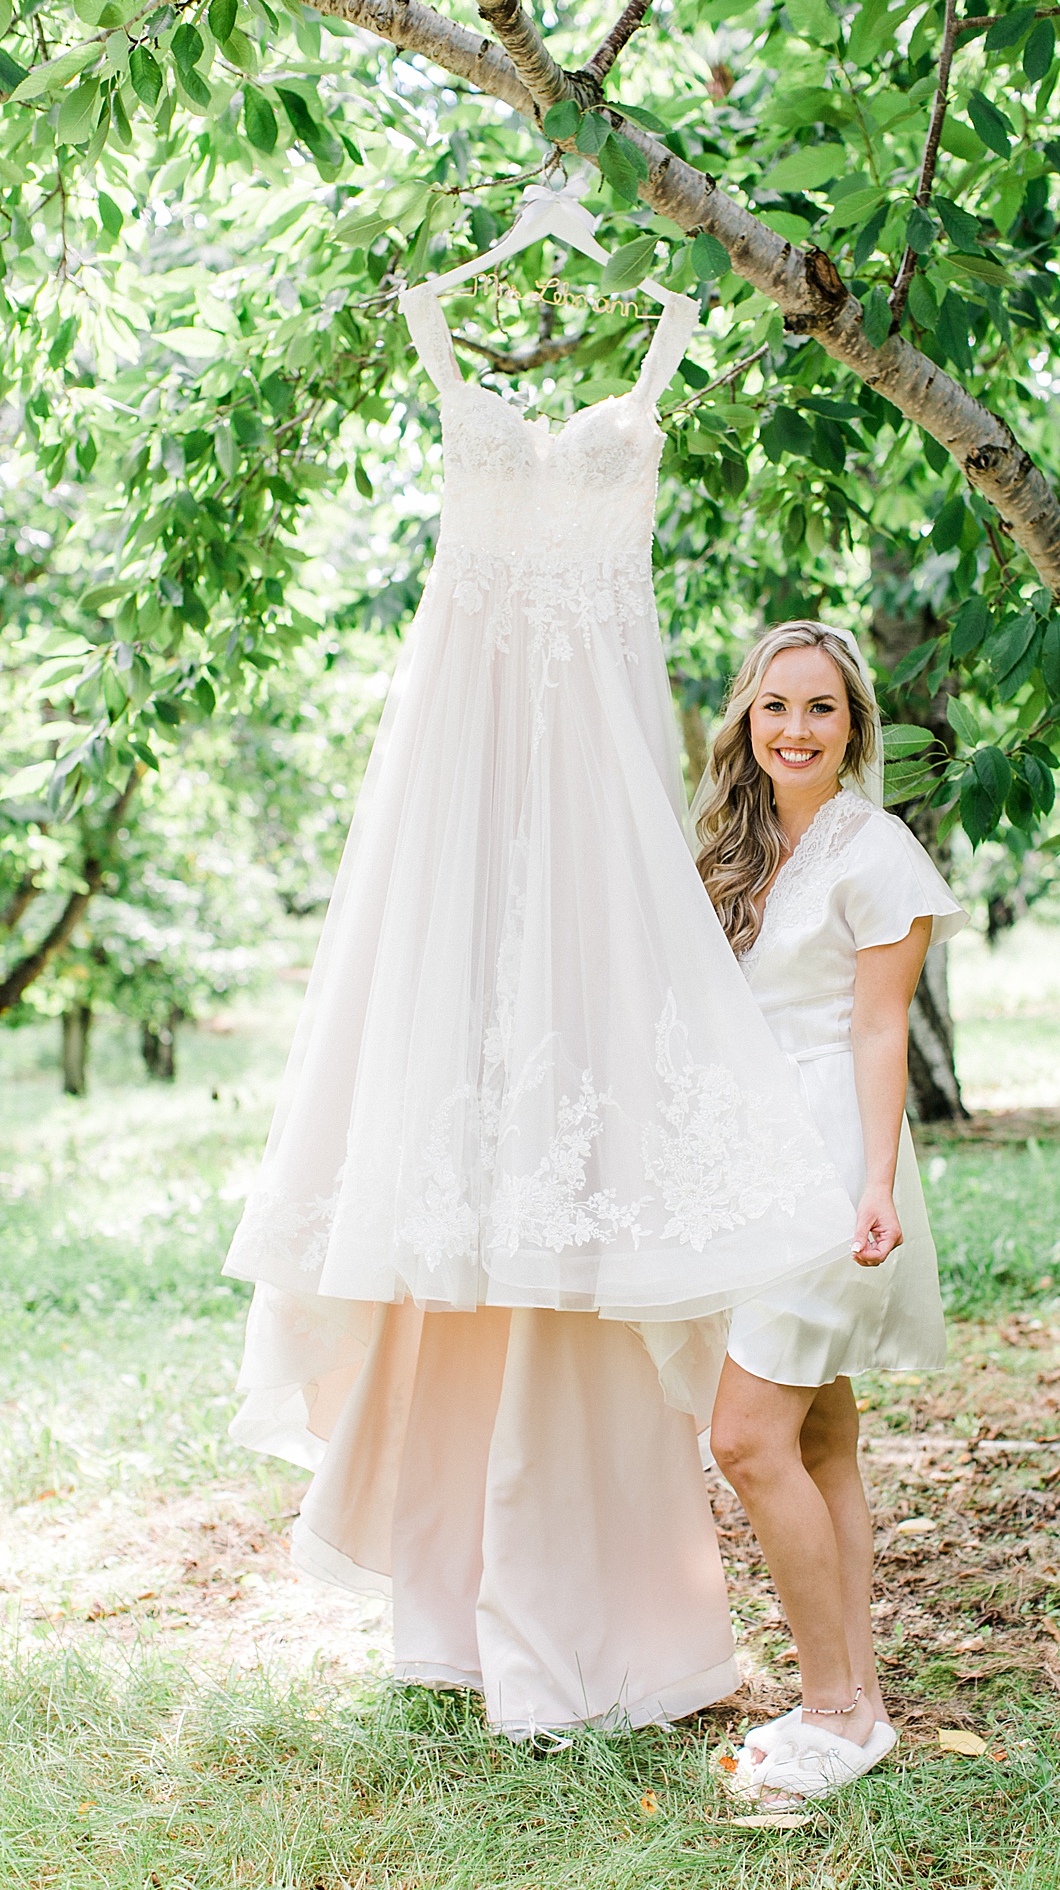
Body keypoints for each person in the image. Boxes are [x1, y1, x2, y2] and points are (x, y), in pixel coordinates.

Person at [221, 285, 861, 1738]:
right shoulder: (440, 346)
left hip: (595, 772)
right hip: (468, 761)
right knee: (462, 1130)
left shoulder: (662, 350)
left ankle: (599, 1603)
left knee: (587, 1133)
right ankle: (464, 1602)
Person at [695, 621, 966, 1802]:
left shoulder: (877, 850)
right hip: (743, 1161)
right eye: (773, 707)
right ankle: (859, 1700)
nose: (794, 729)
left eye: (819, 707)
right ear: (745, 720)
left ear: (853, 723)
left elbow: (872, 1027)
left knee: (745, 1437)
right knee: (815, 1436)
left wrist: (869, 1180)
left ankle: (830, 1708)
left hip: (827, 1158)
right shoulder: (731, 845)